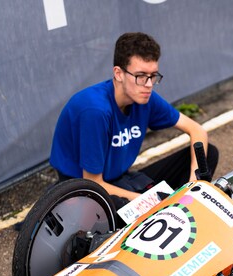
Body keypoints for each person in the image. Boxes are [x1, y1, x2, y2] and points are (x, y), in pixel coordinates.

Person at [50, 32, 218, 208]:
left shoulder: (144, 97)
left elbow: (197, 130)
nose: (148, 84)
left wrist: (193, 180)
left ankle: (179, 209)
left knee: (208, 154)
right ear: (119, 73)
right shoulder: (95, 110)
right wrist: (149, 201)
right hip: (83, 190)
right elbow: (93, 183)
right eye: (140, 76)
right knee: (133, 210)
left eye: (153, 76)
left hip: (119, 179)